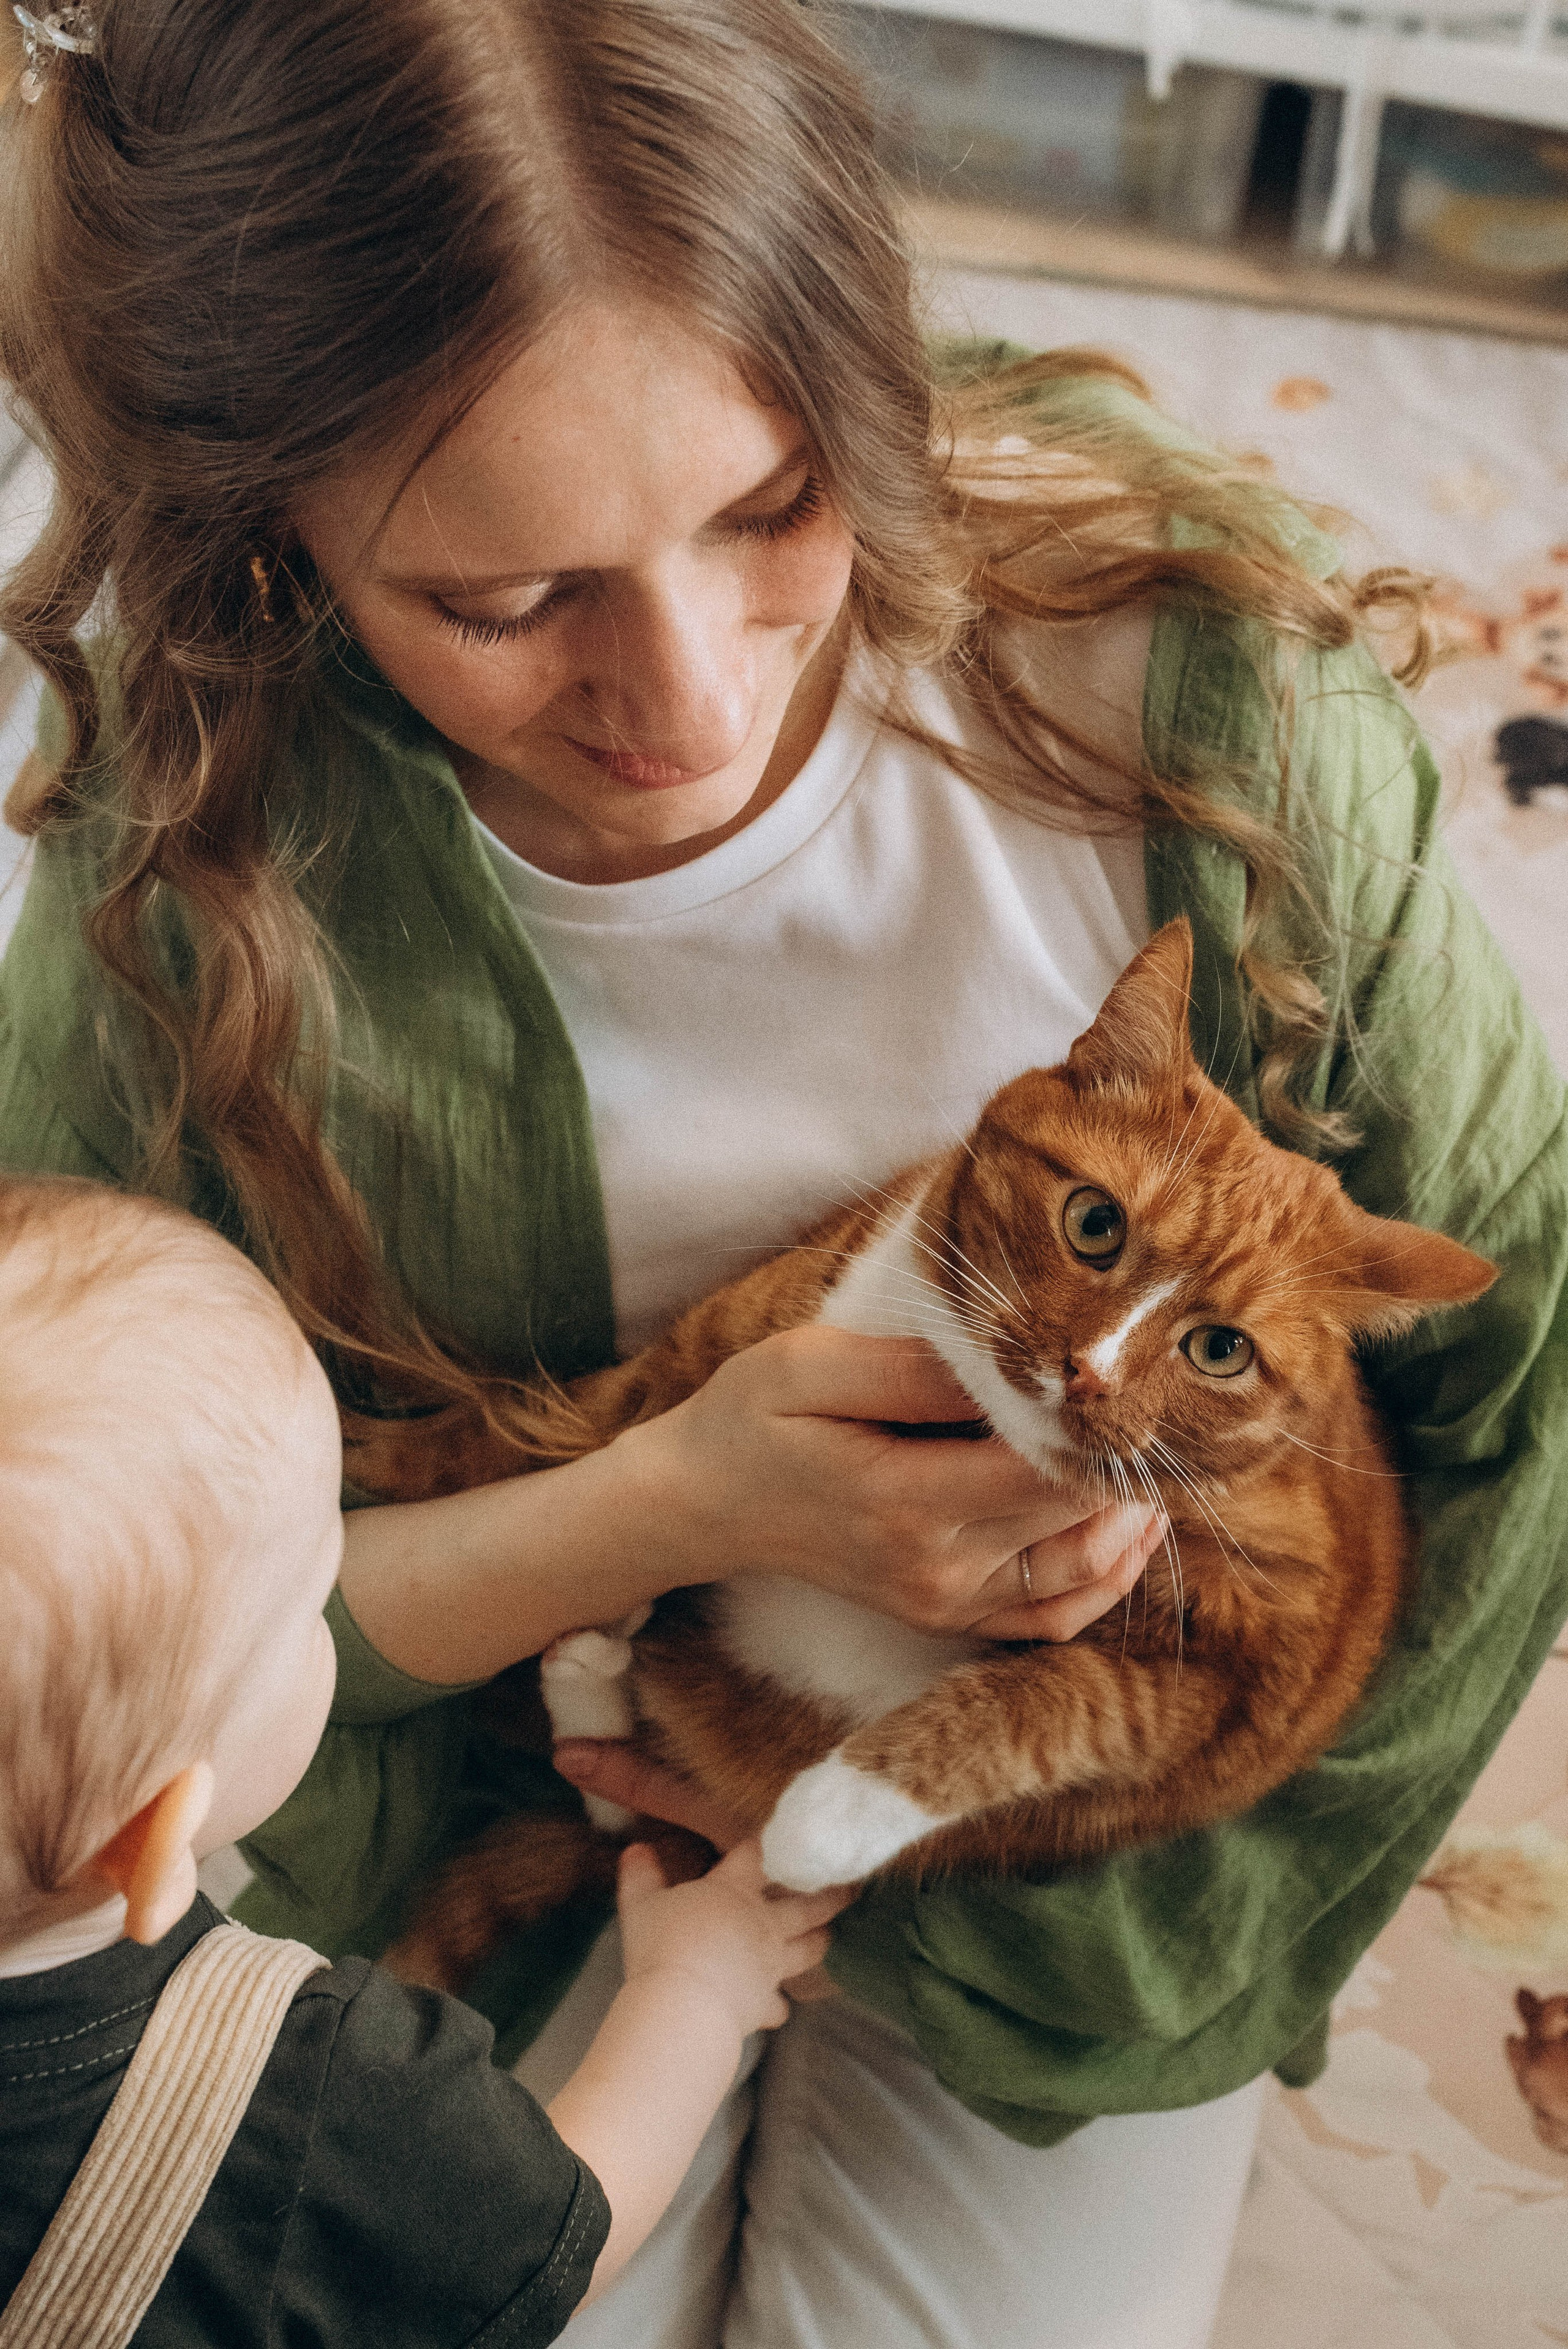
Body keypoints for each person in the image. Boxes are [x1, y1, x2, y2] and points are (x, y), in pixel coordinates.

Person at [0, 3, 1562, 2344]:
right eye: (507, 605)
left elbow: (1511, 1405)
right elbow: (81, 1638)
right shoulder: (186, 869)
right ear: (270, 538)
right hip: (509, 1756)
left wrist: (1077, 1880)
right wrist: (678, 1503)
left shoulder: (1203, 703)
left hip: (1077, 1839)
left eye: (771, 507)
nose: (697, 706)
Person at [0, 1176, 846, 2345]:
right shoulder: (310, 2104)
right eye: (307, 1608)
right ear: (149, 1842)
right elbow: (568, 2226)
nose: (328, 1619)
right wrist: (696, 1989)